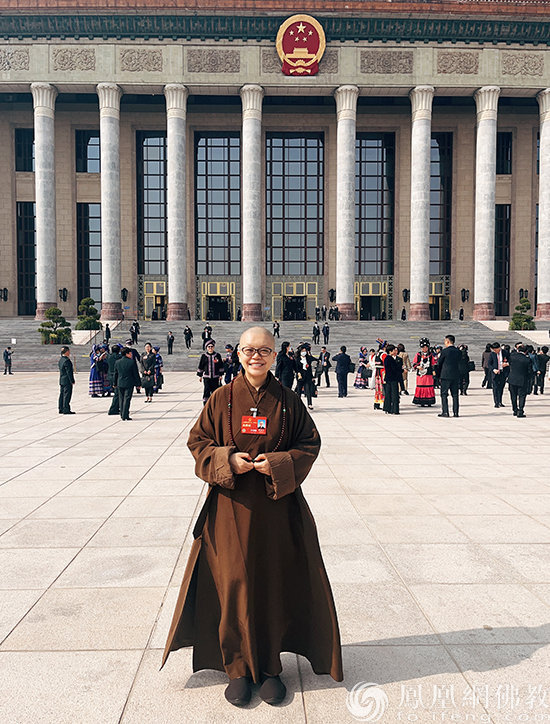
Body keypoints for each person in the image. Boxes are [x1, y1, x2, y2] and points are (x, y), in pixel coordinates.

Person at [161, 326, 343, 706]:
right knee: (234, 584)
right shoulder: (220, 398)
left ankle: (271, 667)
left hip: (277, 510)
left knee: (273, 584)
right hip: (229, 508)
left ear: (275, 355)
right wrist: (227, 460)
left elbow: (310, 443)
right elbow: (198, 442)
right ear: (238, 354)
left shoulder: (290, 401)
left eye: (264, 350)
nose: (256, 356)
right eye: (249, 350)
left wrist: (277, 464)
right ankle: (239, 668)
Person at [436, 334, 461, 418]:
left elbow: (439, 363)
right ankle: (456, 412)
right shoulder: (458, 351)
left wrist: (438, 375)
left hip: (445, 375)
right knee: (455, 395)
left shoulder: (445, 351)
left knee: (444, 394)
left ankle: (445, 412)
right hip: (455, 375)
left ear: (447, 341)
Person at [114, 347, 142, 420]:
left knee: (121, 399)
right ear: (127, 354)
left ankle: (122, 414)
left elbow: (115, 374)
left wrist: (114, 383)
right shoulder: (132, 362)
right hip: (129, 383)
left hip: (120, 382)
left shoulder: (117, 362)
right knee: (127, 399)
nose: (131, 354)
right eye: (130, 353)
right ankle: (125, 415)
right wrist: (138, 384)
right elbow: (136, 374)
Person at [197, 339, 224, 405]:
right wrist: (200, 376)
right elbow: (201, 365)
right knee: (206, 390)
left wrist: (221, 375)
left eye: (212, 346)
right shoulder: (204, 356)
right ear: (206, 348)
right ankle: (206, 404)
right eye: (209, 347)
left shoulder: (217, 355)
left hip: (215, 377)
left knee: (215, 391)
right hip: (207, 377)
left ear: (214, 347)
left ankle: (215, 404)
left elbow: (220, 365)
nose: (210, 348)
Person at [412, 338, 436, 407]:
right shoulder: (418, 355)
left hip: (428, 374)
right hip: (421, 374)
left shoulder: (431, 355)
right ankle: (421, 401)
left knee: (429, 387)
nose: (424, 349)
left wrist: (434, 372)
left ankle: (429, 401)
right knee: (421, 387)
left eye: (426, 347)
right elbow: (414, 363)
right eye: (423, 347)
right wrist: (418, 367)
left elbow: (433, 364)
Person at [508, 344, 530, 417]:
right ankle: (520, 411)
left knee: (513, 395)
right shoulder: (527, 360)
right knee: (522, 396)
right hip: (522, 380)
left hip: (512, 379)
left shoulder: (512, 356)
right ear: (526, 351)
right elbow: (529, 371)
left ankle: (515, 410)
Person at [488, 342, 510, 408]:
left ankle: (500, 401)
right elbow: (489, 364)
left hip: (503, 373)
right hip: (495, 373)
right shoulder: (492, 354)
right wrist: (493, 369)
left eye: (495, 349)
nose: (494, 351)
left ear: (499, 348)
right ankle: (496, 402)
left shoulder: (505, 353)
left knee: (501, 388)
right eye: (493, 350)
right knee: (495, 388)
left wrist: (507, 364)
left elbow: (511, 360)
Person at [295, 343, 315, 410]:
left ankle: (310, 404)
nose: (304, 352)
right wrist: (298, 373)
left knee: (308, 390)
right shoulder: (297, 359)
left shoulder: (308, 358)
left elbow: (310, 368)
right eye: (302, 351)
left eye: (305, 351)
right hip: (300, 376)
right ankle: (297, 404)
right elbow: (296, 368)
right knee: (299, 391)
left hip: (307, 376)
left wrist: (312, 376)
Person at [383, 344, 401, 415]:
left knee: (388, 394)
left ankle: (387, 408)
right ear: (390, 351)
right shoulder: (390, 359)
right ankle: (395, 409)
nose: (395, 351)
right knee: (394, 394)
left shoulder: (386, 358)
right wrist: (401, 369)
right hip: (393, 378)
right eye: (394, 350)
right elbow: (394, 369)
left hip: (388, 378)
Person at [58, 346, 75, 414]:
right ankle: (66, 409)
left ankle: (61, 408)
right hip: (67, 380)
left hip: (62, 379)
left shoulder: (61, 360)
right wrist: (72, 380)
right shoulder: (67, 361)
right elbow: (69, 372)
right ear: (67, 352)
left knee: (62, 394)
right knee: (67, 395)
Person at [107, 344, 122, 415]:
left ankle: (116, 408)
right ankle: (113, 409)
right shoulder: (119, 357)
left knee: (117, 393)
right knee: (117, 394)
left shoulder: (108, 356)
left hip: (110, 375)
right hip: (116, 376)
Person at [373, 341, 387, 410]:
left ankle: (376, 403)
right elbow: (386, 363)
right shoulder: (383, 354)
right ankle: (384, 403)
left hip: (377, 372)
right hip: (382, 372)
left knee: (378, 388)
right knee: (383, 388)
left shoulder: (377, 354)